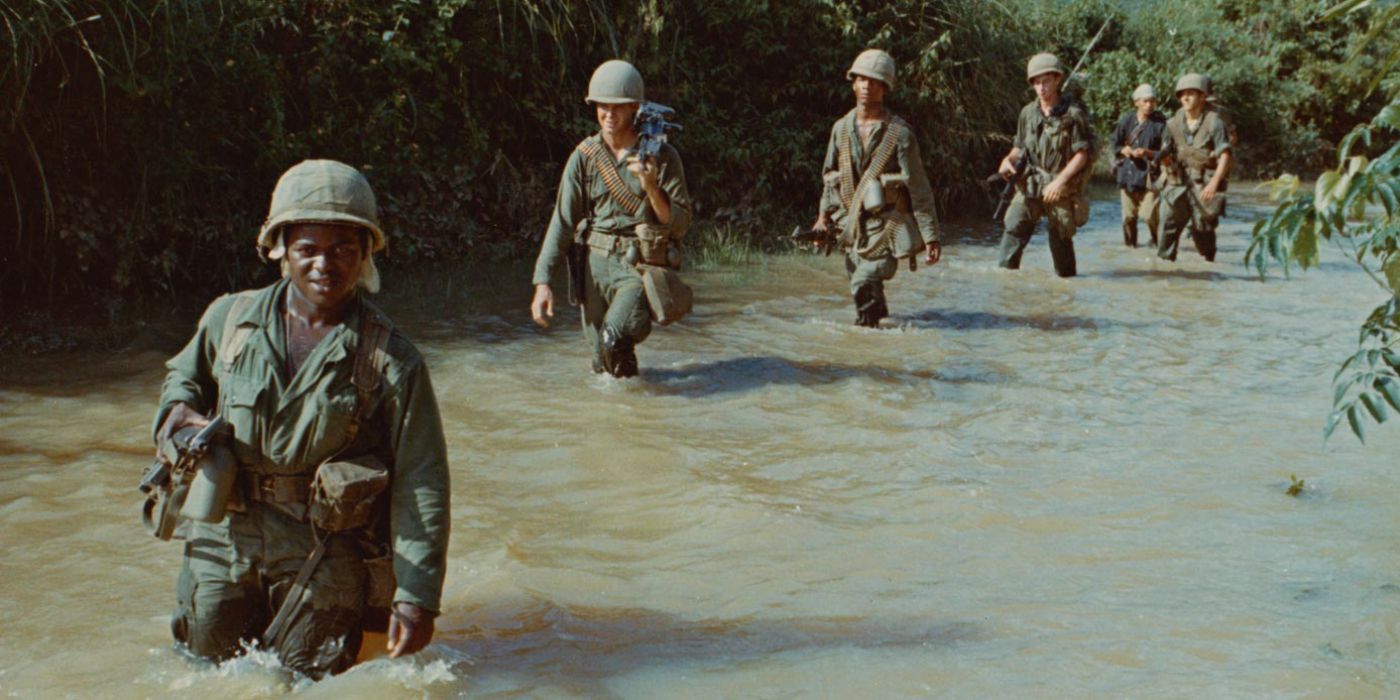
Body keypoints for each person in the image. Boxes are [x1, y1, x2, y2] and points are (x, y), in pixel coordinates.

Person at [153, 159, 451, 678]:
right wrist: (177, 420)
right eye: (307, 249)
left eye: (342, 250)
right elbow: (183, 378)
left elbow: (422, 480)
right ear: (281, 250)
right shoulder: (230, 320)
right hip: (225, 534)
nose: (324, 265)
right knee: (202, 673)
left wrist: (416, 595)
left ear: (364, 255)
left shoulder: (390, 359)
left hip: (324, 551)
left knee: (309, 681)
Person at [529, 59, 693, 376]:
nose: (608, 114)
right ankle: (629, 412)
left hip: (637, 267)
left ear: (634, 107)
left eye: (617, 107)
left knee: (614, 337)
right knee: (600, 363)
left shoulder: (662, 156)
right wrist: (543, 282)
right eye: (602, 106)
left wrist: (651, 186)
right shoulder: (585, 157)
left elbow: (681, 223)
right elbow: (562, 222)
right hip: (592, 268)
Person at [811, 48, 941, 327]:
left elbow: (919, 188)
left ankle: (862, 341)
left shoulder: (900, 134)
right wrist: (822, 219)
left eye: (874, 81)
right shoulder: (841, 129)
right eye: (861, 79)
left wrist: (931, 236)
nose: (866, 86)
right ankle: (883, 339)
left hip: (887, 226)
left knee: (863, 280)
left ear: (885, 88)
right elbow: (829, 178)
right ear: (853, 83)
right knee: (867, 294)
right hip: (850, 226)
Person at [995, 53, 1095, 278]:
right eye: (1036, 82)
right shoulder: (1027, 113)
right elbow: (1019, 146)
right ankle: (1005, 288)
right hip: (1030, 183)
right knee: (1013, 230)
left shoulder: (1073, 115)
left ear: (1057, 80)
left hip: (1059, 186)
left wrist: (1060, 183)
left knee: (1061, 243)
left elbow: (1082, 155)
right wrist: (1007, 160)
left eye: (1046, 81)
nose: (1041, 87)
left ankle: (1066, 293)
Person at [1157, 73, 1233, 262]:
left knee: (1203, 231)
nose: (1185, 97)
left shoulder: (1214, 122)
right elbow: (1165, 150)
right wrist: (1164, 162)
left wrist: (1214, 183)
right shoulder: (1173, 123)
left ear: (1202, 97)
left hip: (1203, 184)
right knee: (1167, 228)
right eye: (1182, 94)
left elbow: (1225, 154)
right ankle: (1166, 271)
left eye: (1191, 93)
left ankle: (1209, 265)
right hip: (1177, 183)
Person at [1110, 83, 1167, 248]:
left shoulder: (1160, 124)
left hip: (1150, 177)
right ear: (1137, 102)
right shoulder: (1127, 120)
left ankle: (1157, 243)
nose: (1149, 105)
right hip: (1127, 175)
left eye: (1152, 101)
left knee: (1149, 215)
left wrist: (1148, 153)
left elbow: (1167, 150)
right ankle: (1130, 248)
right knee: (1128, 217)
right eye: (1145, 101)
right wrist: (1125, 150)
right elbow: (1115, 142)